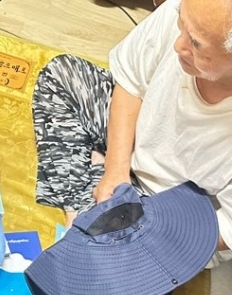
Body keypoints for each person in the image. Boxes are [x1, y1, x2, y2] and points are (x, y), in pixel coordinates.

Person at [32, 0, 232, 266]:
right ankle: (90, 192)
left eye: (195, 44)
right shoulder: (188, 9)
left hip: (168, 207)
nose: (178, 45)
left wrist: (147, 224)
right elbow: (130, 82)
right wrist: (115, 168)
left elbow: (223, 229)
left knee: (112, 271)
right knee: (62, 74)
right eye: (181, 23)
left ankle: (89, 191)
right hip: (132, 135)